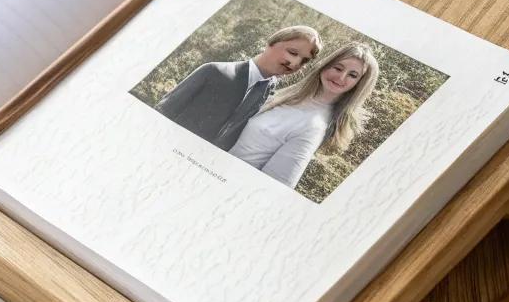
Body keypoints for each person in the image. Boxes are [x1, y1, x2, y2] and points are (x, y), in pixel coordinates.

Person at [229, 41, 380, 191]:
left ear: (359, 84)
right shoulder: (290, 96)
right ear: (326, 65)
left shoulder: (314, 126)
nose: (341, 78)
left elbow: (274, 187)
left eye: (353, 75)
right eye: (338, 68)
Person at [155, 24, 321, 151]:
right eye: (292, 52)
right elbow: (162, 112)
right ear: (272, 43)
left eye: (304, 61)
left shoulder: (270, 98)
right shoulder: (214, 71)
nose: (295, 63)